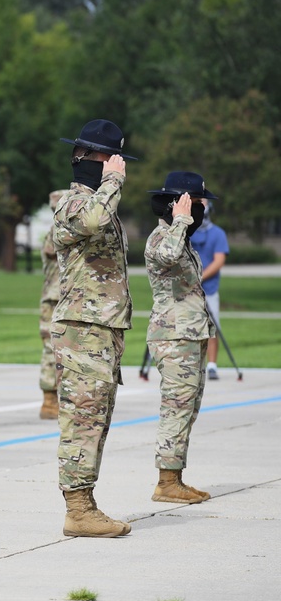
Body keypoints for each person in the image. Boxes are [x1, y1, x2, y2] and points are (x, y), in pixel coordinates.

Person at [52, 119, 134, 538]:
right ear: (86, 157)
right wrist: (113, 182)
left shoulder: (99, 201)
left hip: (101, 328)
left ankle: (86, 504)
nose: (118, 166)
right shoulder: (74, 202)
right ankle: (78, 509)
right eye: (111, 158)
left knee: (96, 416)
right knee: (82, 417)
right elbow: (92, 222)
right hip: (82, 329)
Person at [145, 171, 216, 504]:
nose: (200, 211)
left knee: (188, 407)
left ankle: (175, 477)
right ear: (177, 205)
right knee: (176, 407)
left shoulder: (181, 240)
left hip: (190, 333)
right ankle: (166, 482)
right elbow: (168, 257)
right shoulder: (163, 238)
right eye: (196, 203)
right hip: (173, 337)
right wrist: (180, 220)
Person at [190, 199, 229, 380]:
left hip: (209, 289)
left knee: (213, 328)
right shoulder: (188, 232)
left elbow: (219, 260)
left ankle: (212, 365)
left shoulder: (218, 234)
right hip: (188, 290)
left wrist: (200, 277)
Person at [37, 190, 67, 420]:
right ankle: (49, 400)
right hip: (55, 297)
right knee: (51, 349)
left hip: (64, 297)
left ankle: (60, 397)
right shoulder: (57, 231)